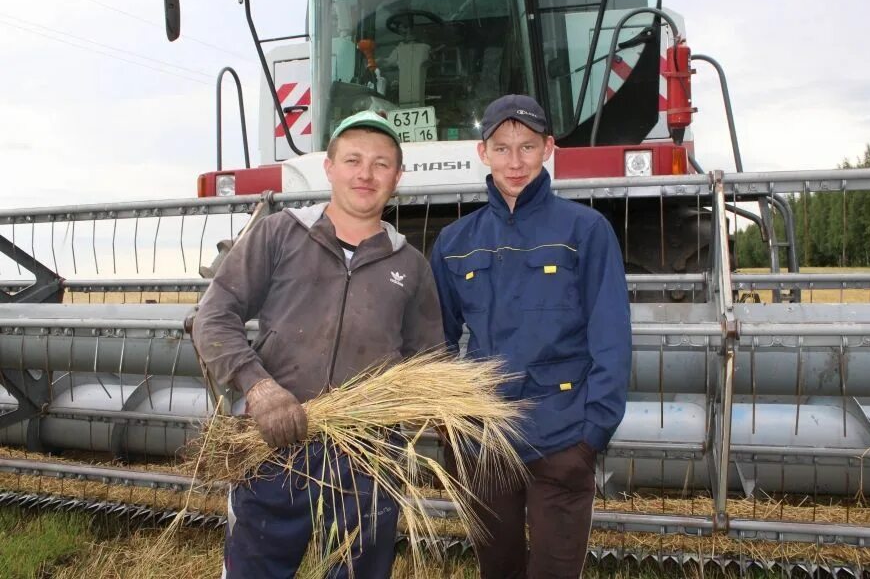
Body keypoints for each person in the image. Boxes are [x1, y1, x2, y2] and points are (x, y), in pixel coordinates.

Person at [192, 110, 444, 579]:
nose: (365, 174)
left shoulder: (411, 267)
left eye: (380, 163)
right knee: (254, 568)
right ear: (328, 168)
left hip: (366, 456)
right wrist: (259, 389)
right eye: (352, 160)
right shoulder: (278, 234)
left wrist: (395, 413)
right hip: (271, 443)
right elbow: (214, 314)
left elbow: (428, 361)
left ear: (398, 177)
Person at [429, 95, 632, 578]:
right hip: (487, 443)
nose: (514, 162)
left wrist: (591, 436)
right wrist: (451, 428)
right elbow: (437, 340)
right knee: (496, 570)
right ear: (483, 153)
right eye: (502, 148)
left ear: (548, 149)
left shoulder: (586, 231)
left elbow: (611, 338)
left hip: (563, 440)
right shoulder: (455, 243)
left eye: (526, 147)